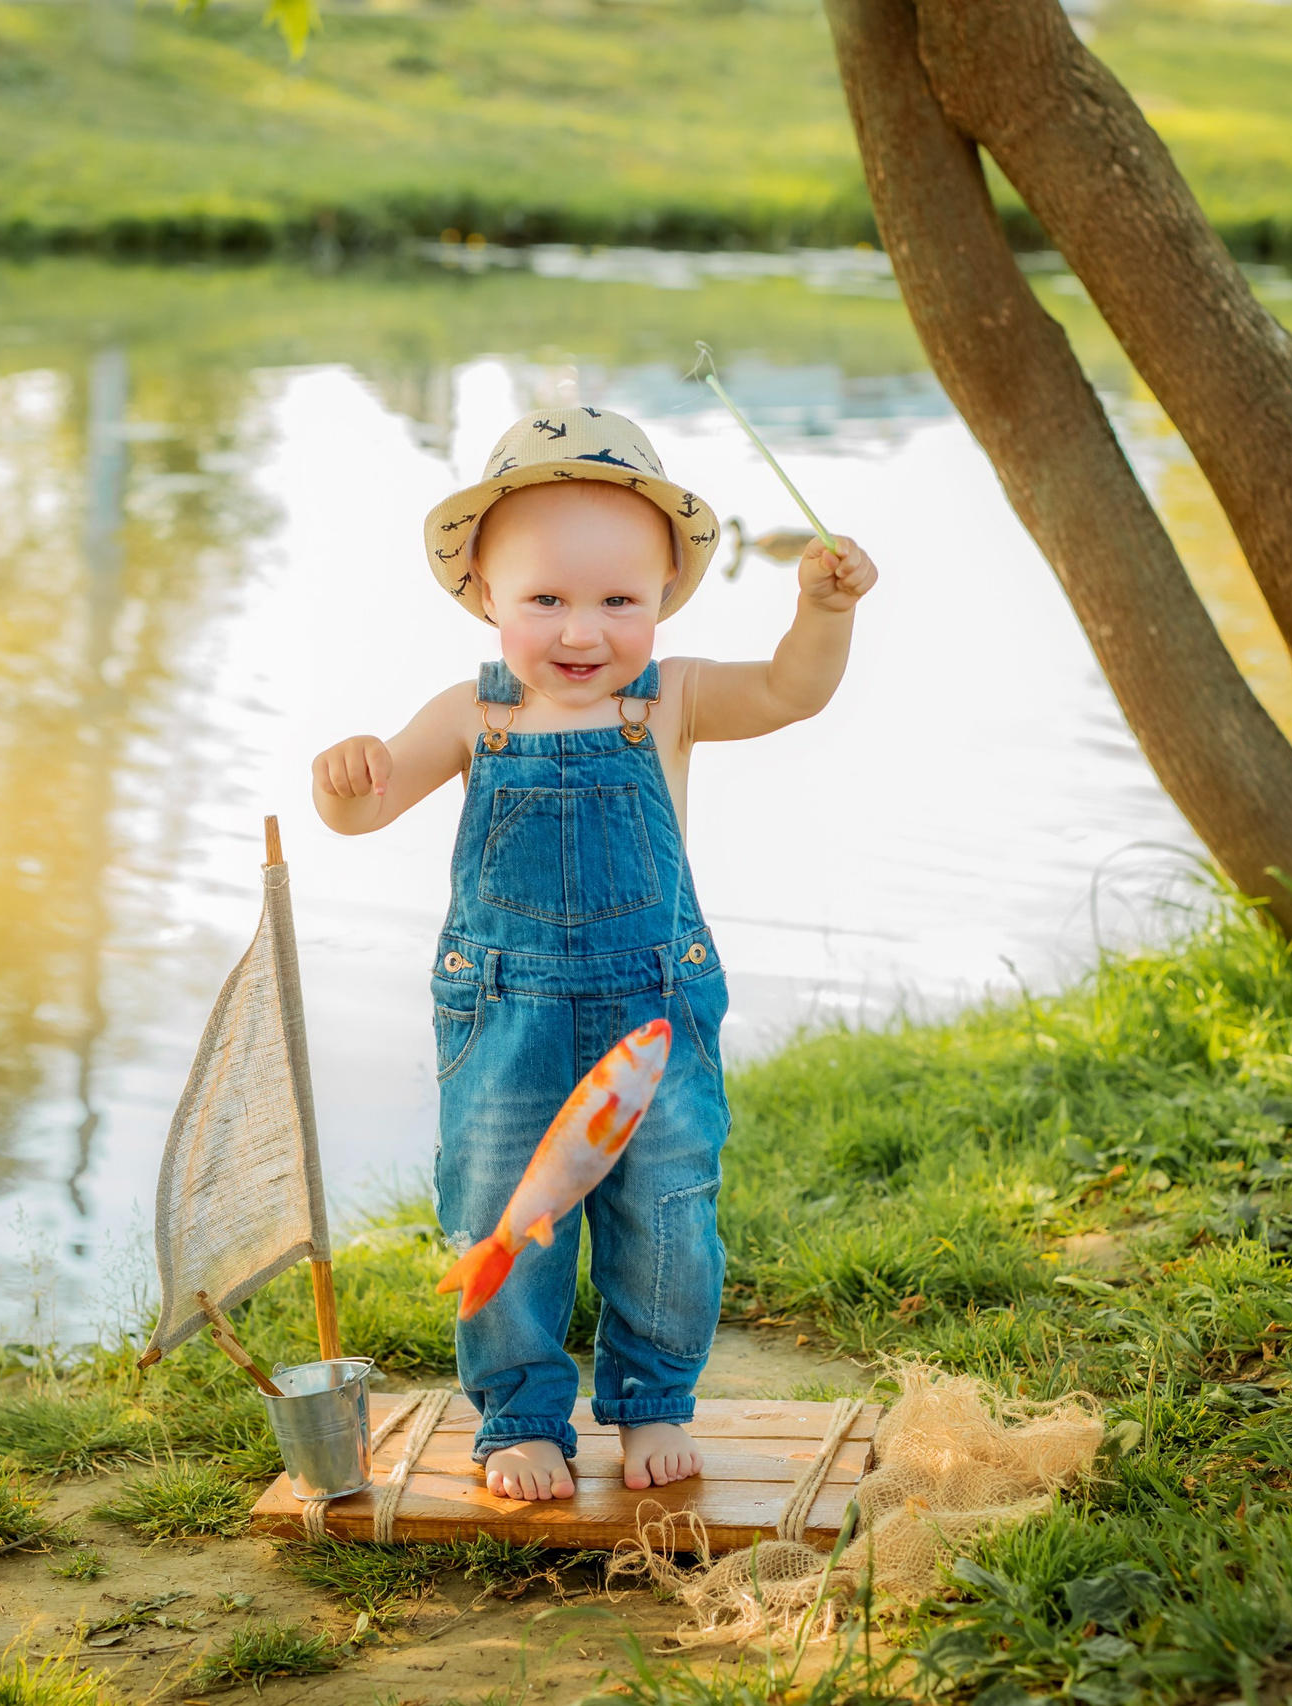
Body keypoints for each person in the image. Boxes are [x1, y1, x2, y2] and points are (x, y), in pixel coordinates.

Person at [311, 407, 877, 1501]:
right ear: (484, 595)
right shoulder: (472, 716)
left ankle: (652, 1397)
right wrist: (344, 786)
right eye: (546, 599)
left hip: (651, 1013)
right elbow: (366, 810)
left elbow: (794, 690)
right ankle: (520, 1415)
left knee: (665, 1208)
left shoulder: (670, 702)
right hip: (505, 1014)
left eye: (620, 600)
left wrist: (820, 609)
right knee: (500, 1213)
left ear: (664, 597)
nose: (584, 630)